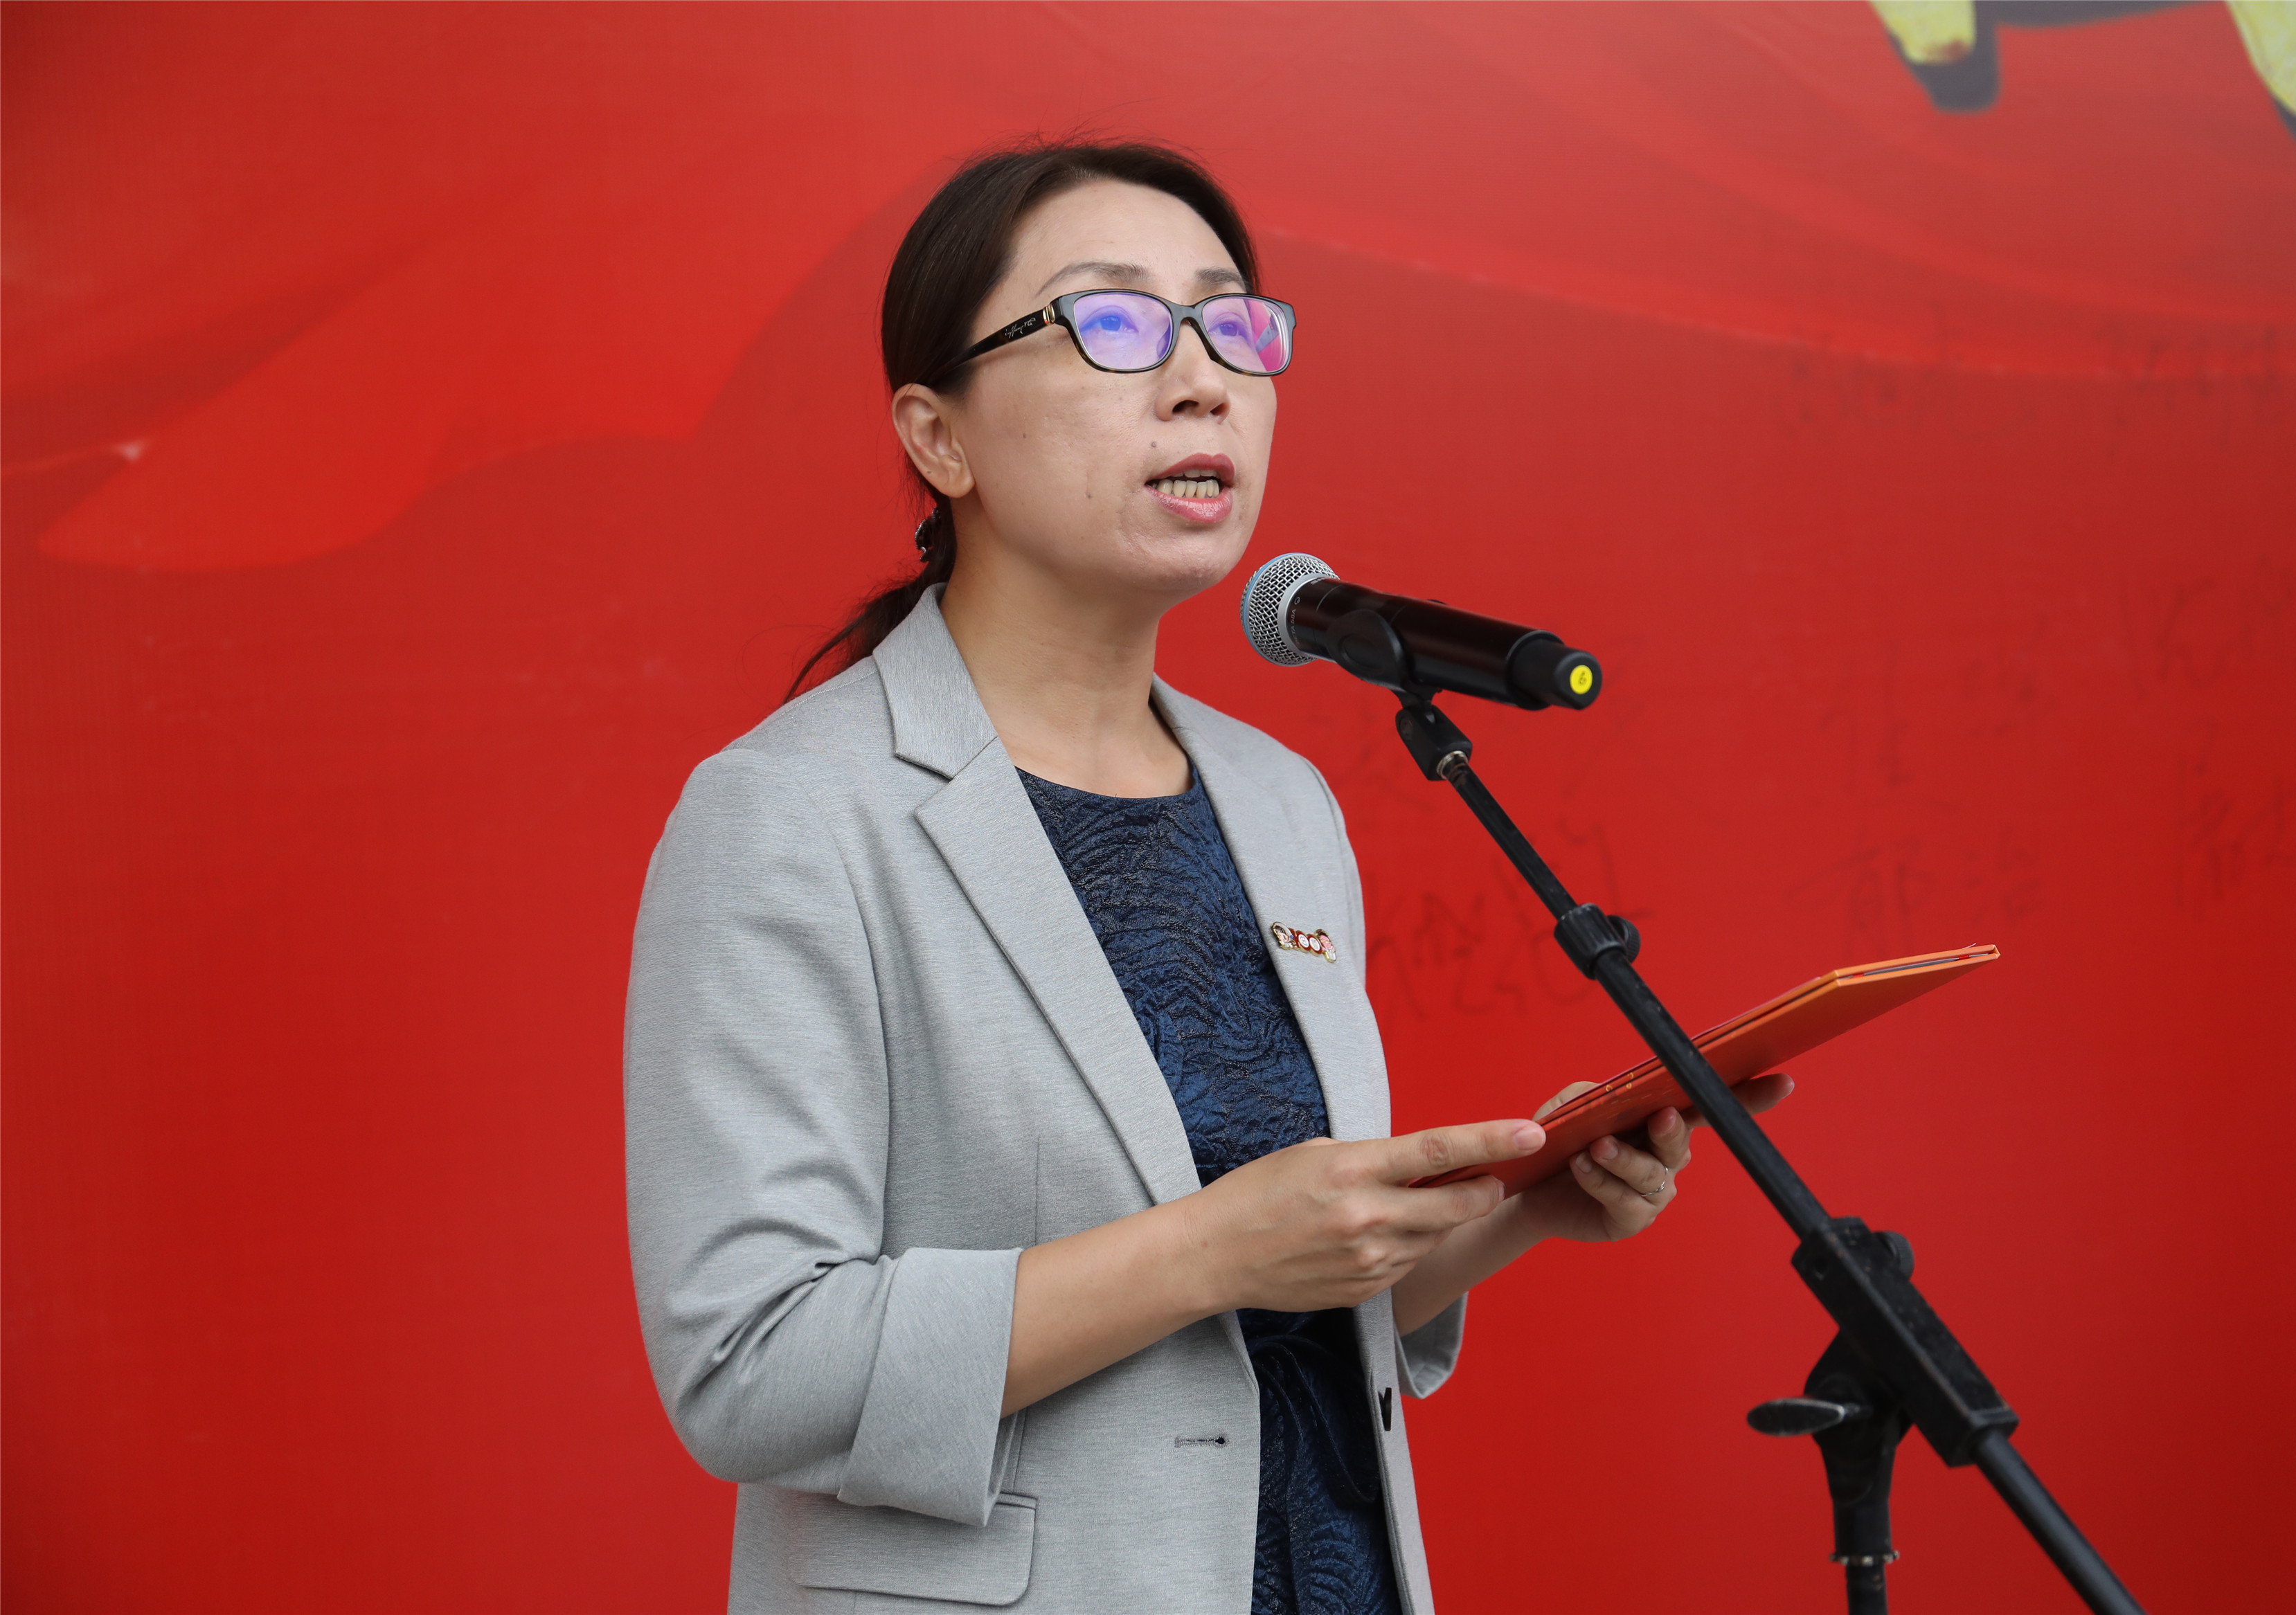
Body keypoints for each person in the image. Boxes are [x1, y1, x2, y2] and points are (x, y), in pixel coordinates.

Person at [623, 141, 1790, 1615]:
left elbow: (1262, 1329)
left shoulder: (1277, 799)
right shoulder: (793, 813)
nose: (1203, 381)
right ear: (939, 437)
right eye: (1114, 322)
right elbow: (750, 1368)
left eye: (1233, 323)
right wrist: (1205, 1247)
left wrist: (1512, 1211)